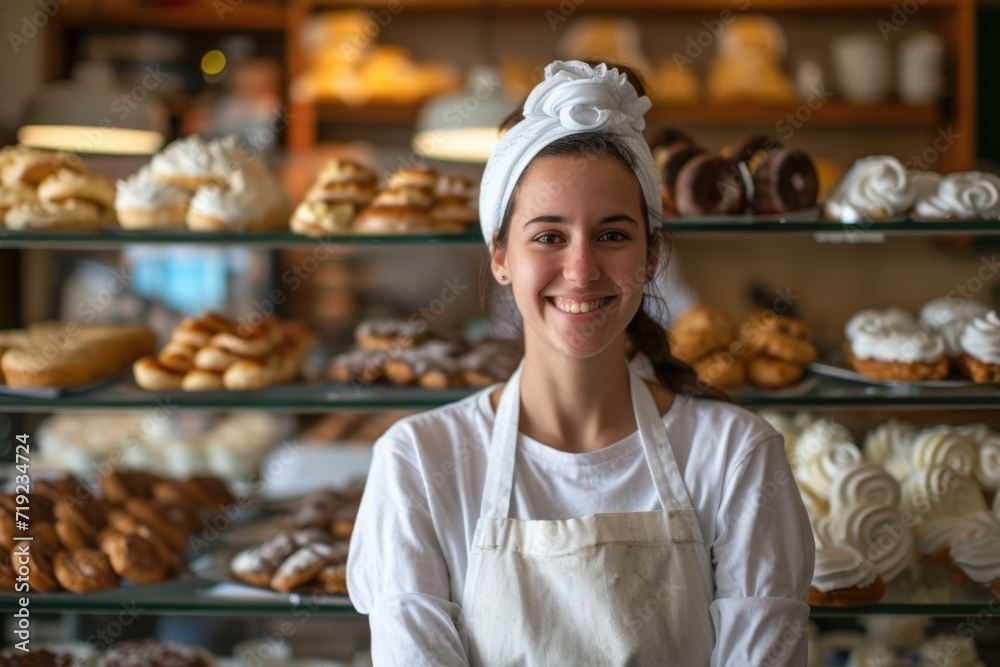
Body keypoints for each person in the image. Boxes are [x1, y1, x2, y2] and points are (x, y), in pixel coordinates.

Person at [347, 60, 814, 666]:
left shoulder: (736, 457)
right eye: (548, 236)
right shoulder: (419, 462)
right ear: (500, 257)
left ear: (652, 257)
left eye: (614, 235)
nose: (582, 269)